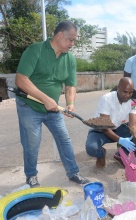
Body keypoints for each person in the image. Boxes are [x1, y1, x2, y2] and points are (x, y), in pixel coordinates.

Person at [15, 20, 89, 187]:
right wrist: (45, 98)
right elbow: (21, 79)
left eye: (74, 40)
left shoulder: (69, 58)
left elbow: (70, 85)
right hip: (29, 106)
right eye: (71, 39)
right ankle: (31, 176)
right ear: (60, 35)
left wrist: (70, 103)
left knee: (64, 140)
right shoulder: (36, 50)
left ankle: (73, 172)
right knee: (32, 144)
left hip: (53, 109)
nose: (73, 43)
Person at [85, 77, 136, 168]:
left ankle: (121, 154)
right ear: (118, 88)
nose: (128, 95)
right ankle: (101, 154)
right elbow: (105, 127)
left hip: (117, 129)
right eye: (125, 92)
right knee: (91, 148)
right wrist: (120, 140)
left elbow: (133, 125)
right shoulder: (107, 99)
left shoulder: (133, 101)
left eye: (130, 92)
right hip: (101, 131)